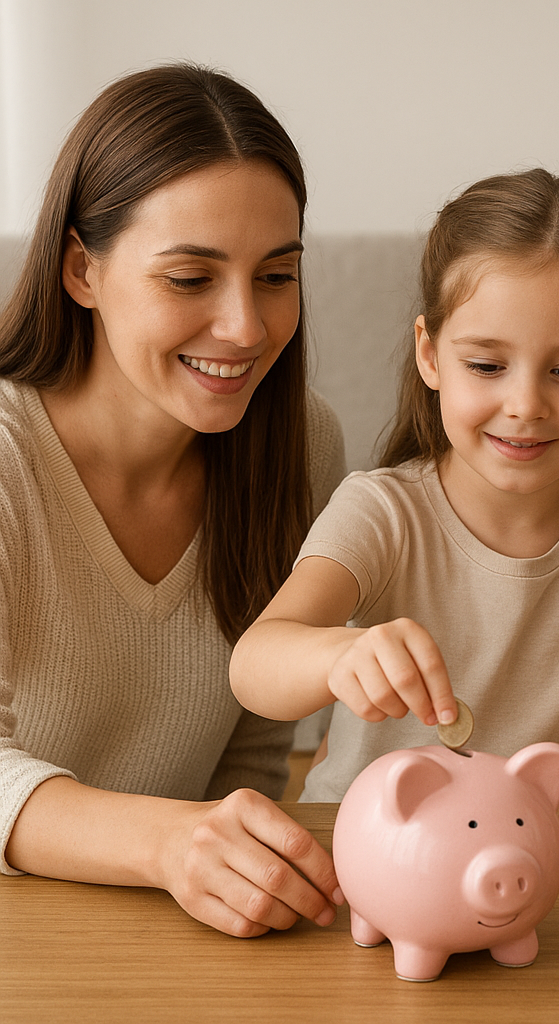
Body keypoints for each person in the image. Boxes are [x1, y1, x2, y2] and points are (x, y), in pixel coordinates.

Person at [230, 169, 559, 839]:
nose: (525, 406)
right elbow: (255, 666)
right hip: (361, 855)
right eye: (486, 365)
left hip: (523, 861)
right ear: (430, 354)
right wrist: (338, 658)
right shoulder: (381, 511)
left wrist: (494, 820)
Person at [0, 64, 348, 935]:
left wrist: (233, 872)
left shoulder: (302, 448)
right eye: (190, 278)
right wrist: (168, 845)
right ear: (83, 268)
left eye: (276, 276)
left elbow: (259, 751)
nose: (247, 327)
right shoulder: (10, 459)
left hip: (175, 934)